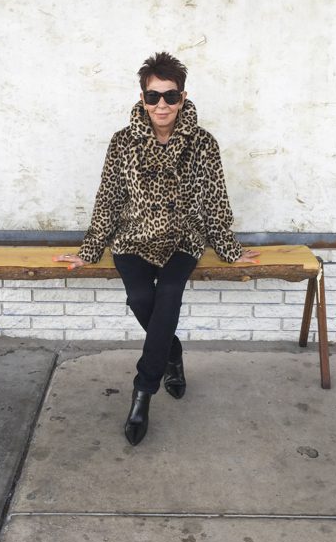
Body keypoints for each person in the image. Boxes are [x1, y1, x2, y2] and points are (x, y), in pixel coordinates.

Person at [54, 52, 259, 445]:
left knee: (168, 294)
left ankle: (143, 392)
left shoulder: (202, 143)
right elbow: (109, 199)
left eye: (169, 96)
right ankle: (172, 352)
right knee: (140, 297)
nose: (161, 105)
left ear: (182, 98)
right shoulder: (122, 142)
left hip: (183, 239)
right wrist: (91, 248)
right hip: (131, 239)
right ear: (142, 97)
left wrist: (230, 249)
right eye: (153, 97)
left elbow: (215, 200)